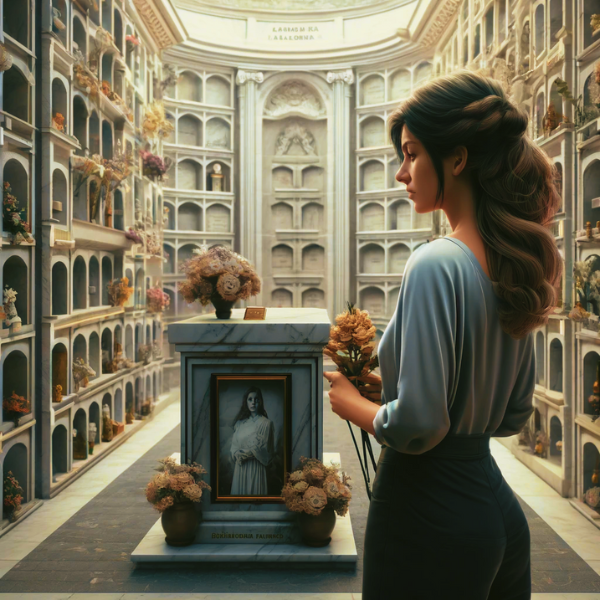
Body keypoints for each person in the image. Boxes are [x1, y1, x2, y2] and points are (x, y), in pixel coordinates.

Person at [324, 70, 562, 600]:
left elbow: (422, 426)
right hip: (495, 510)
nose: (400, 172)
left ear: (456, 159)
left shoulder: (436, 261)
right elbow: (509, 415)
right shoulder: (512, 263)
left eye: (411, 154)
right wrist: (391, 386)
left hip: (426, 514)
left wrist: (351, 405)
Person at [229, 386, 275, 495]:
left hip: (256, 467)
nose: (253, 402)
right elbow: (234, 445)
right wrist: (236, 454)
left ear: (261, 401)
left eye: (256, 399)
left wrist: (245, 454)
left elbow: (265, 449)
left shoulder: (266, 424)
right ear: (246, 402)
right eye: (250, 399)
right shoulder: (240, 424)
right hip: (240, 468)